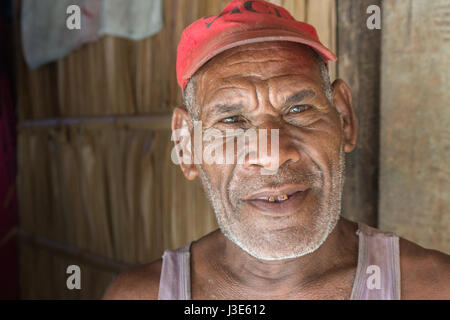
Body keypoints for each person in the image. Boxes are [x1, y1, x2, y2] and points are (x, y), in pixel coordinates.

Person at [103, 0, 449, 300]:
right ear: (187, 145)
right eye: (233, 120)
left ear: (344, 118)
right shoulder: (141, 295)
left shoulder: (432, 287)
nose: (272, 154)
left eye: (298, 110)